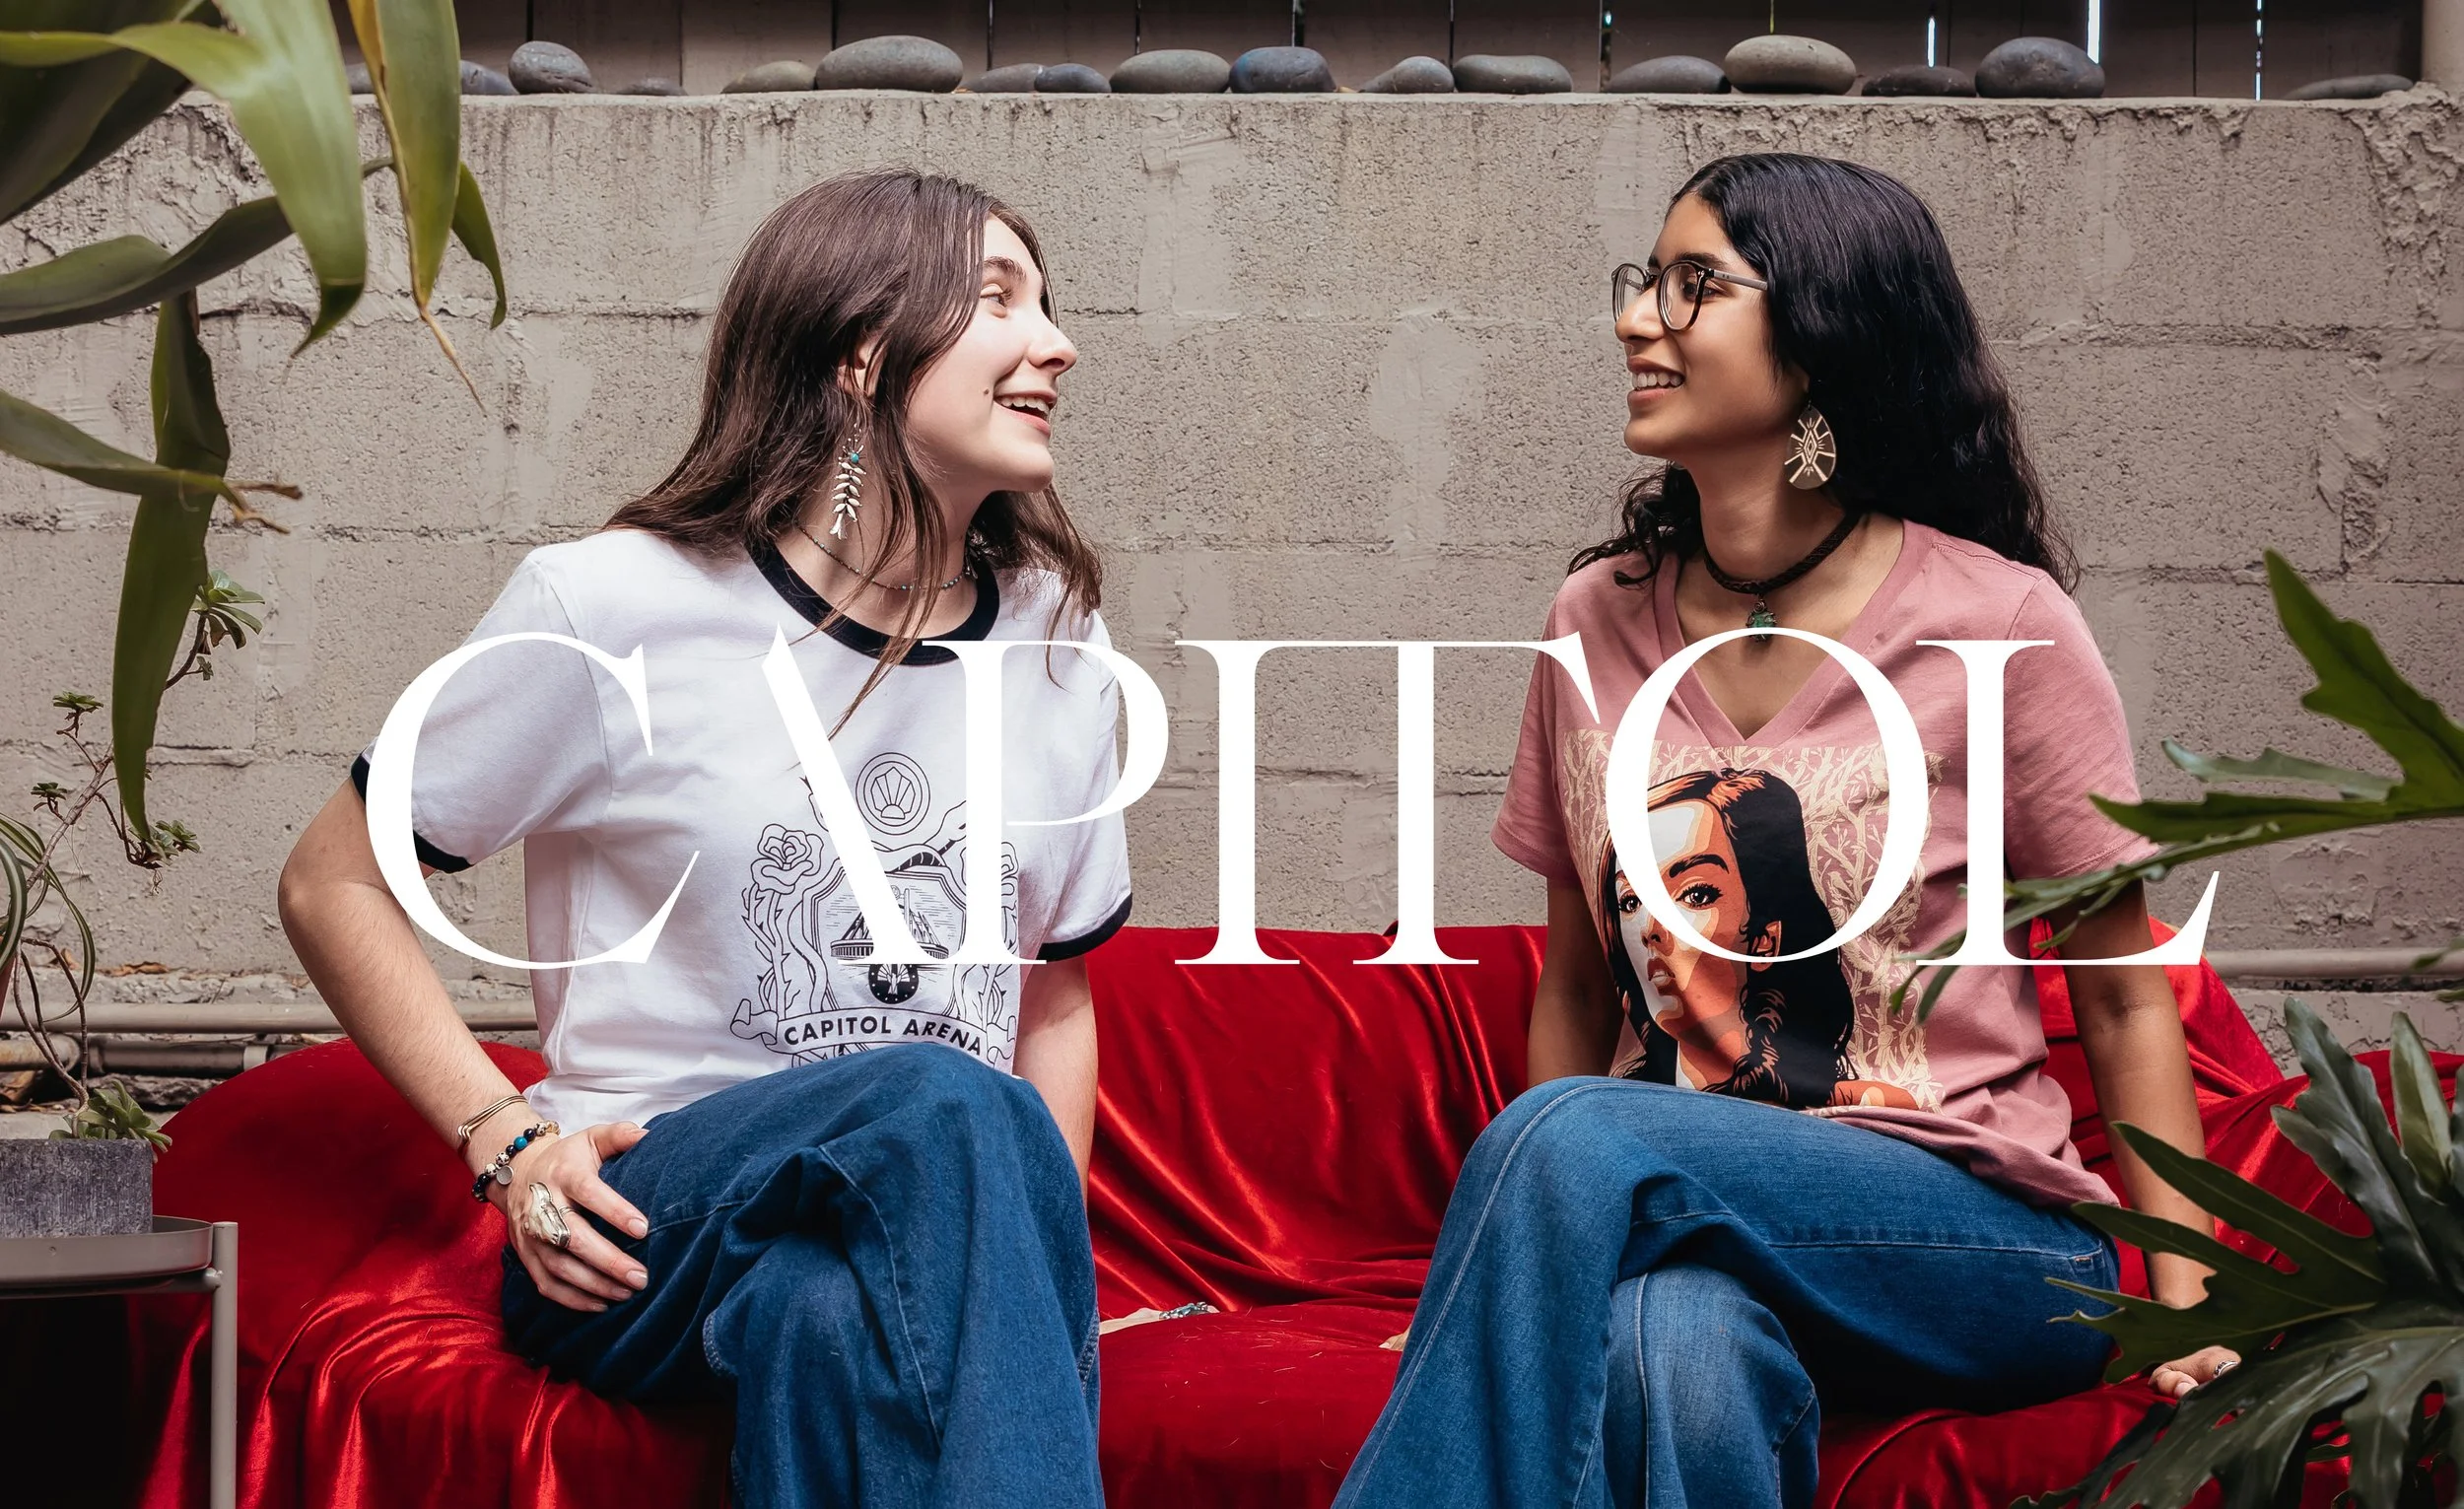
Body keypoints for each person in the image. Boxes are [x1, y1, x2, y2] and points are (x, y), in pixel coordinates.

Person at [1336, 153, 2238, 1509]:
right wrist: (1519, 1292)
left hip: (1977, 1231)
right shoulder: (1592, 620)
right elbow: (1579, 983)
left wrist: (2190, 1296)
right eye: (1646, 280)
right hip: (1692, 1214)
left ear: (1821, 342)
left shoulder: (1999, 622)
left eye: (1696, 285)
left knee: (1569, 1135)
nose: (1640, 317)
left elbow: (2118, 992)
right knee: (1672, 1349)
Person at [278, 170, 1131, 1509]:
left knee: (824, 1313)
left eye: (1052, 302)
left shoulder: (1056, 639)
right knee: (943, 1093)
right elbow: (334, 880)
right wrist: (505, 1144)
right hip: (646, 1217)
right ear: (860, 354)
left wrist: (1017, 1265)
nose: (1059, 341)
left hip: (889, 1228)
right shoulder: (615, 604)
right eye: (998, 300)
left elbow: (1056, 995)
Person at [1602, 768, 1913, 1109]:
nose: (1650, 927)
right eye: (1631, 901)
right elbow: (1575, 992)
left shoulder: (1863, 1103)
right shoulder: (1610, 1111)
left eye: (1696, 895)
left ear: (1765, 939)